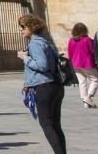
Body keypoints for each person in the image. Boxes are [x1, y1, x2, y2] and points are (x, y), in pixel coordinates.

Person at [18, 14, 65, 154]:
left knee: (47, 124)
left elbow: (42, 65)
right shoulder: (45, 42)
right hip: (55, 86)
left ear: (31, 28)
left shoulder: (35, 44)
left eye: (23, 27)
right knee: (55, 125)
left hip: (45, 87)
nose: (21, 30)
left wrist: (25, 58)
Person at [66, 23, 98, 108]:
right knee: (95, 80)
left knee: (82, 82)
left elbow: (70, 53)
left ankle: (85, 101)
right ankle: (88, 97)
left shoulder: (71, 40)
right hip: (87, 63)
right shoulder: (87, 40)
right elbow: (93, 51)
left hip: (76, 63)